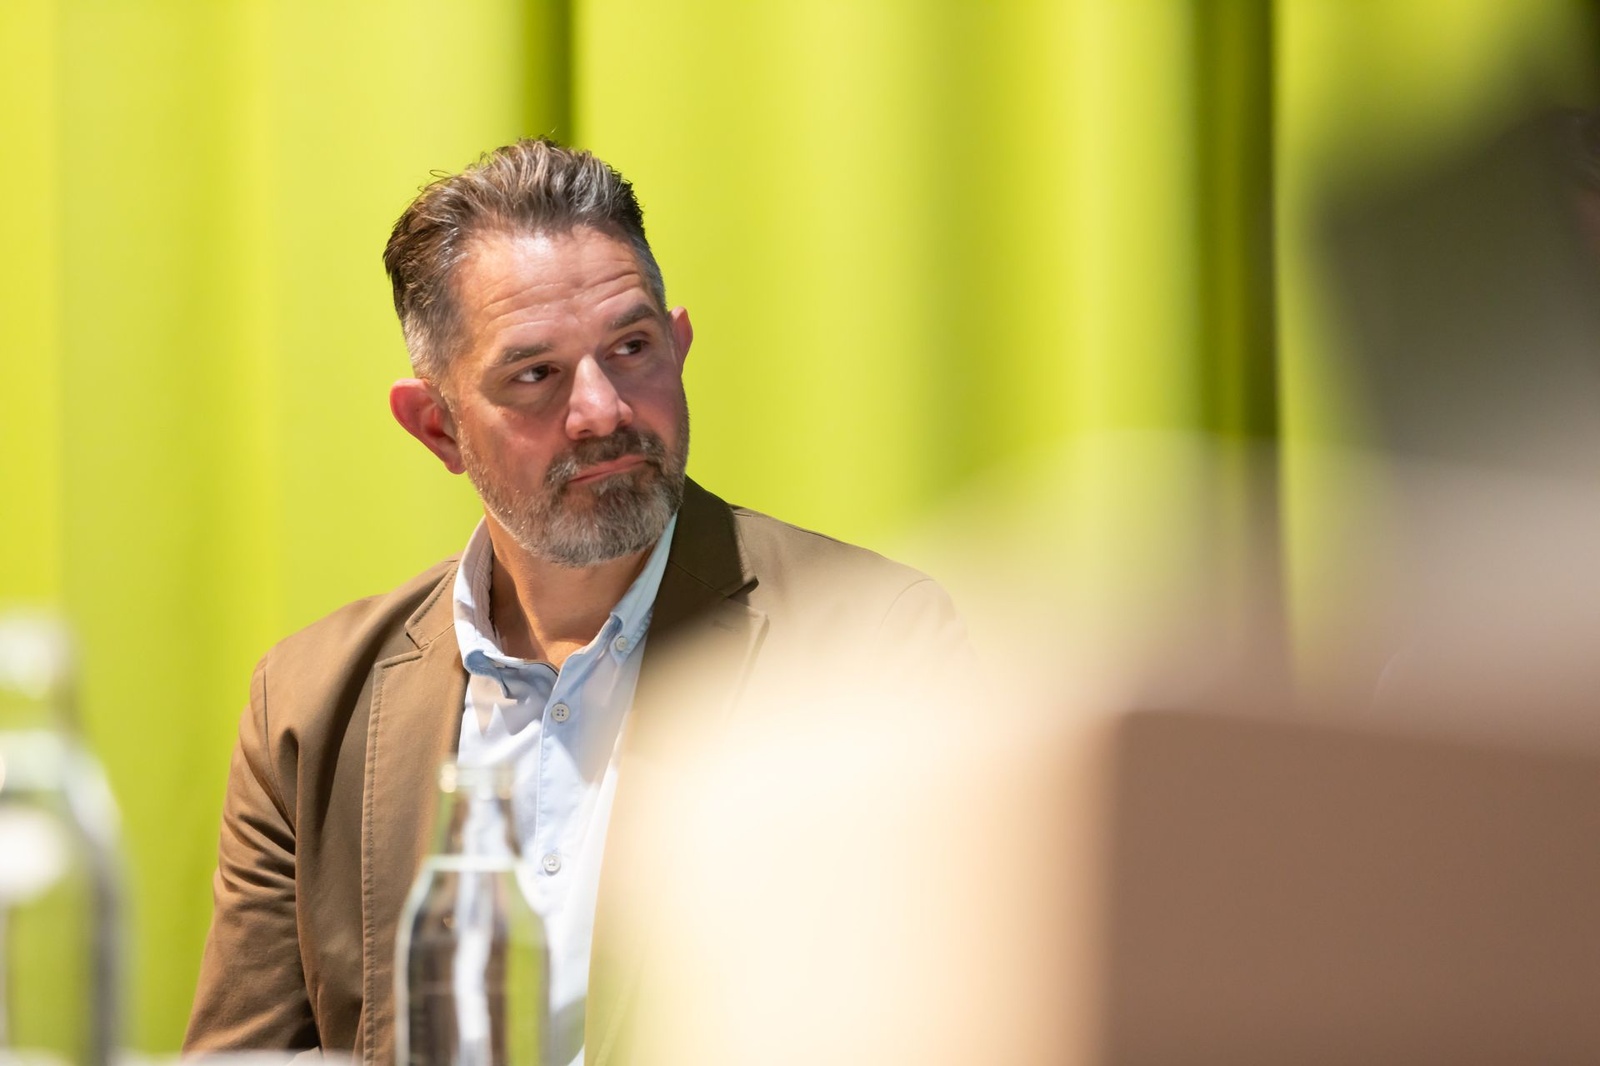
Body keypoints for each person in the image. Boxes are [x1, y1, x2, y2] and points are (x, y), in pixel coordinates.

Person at [183, 138, 967, 1066]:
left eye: (631, 349)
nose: (603, 410)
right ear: (437, 426)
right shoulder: (309, 707)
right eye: (536, 375)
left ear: (678, 347)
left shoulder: (875, 651)